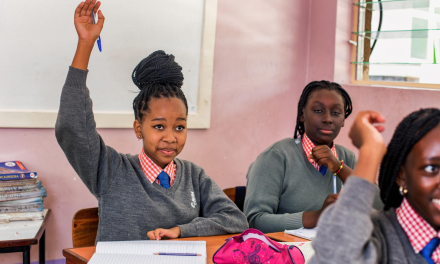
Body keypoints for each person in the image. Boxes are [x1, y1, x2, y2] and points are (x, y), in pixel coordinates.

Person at [55, 0, 248, 242]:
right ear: (138, 129)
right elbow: (72, 128)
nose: (170, 137)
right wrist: (85, 44)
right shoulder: (111, 170)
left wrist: (181, 230)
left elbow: (235, 220)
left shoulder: (194, 176)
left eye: (179, 126)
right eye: (158, 126)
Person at [244, 81, 382, 232]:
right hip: (288, 252)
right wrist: (317, 216)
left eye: (336, 113)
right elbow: (254, 220)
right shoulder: (276, 157)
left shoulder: (346, 158)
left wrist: (339, 168)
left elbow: (380, 207)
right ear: (302, 115)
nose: (328, 119)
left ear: (343, 120)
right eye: (318, 110)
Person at [310, 108, 440, 264]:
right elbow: (336, 257)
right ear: (401, 176)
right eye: (431, 168)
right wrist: (370, 150)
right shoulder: (372, 237)